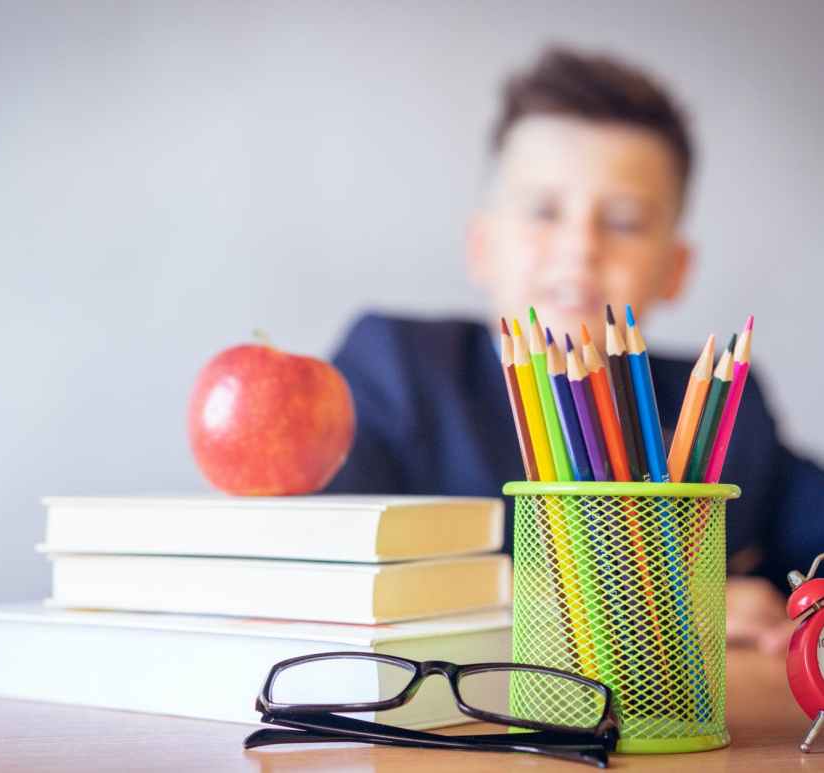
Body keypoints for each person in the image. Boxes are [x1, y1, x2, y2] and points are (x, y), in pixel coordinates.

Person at [325, 47, 823, 655]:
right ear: (482, 246)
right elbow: (331, 559)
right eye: (543, 211)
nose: (580, 247)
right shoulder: (396, 366)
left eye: (624, 221)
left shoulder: (724, 408)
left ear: (676, 269)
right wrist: (656, 606)